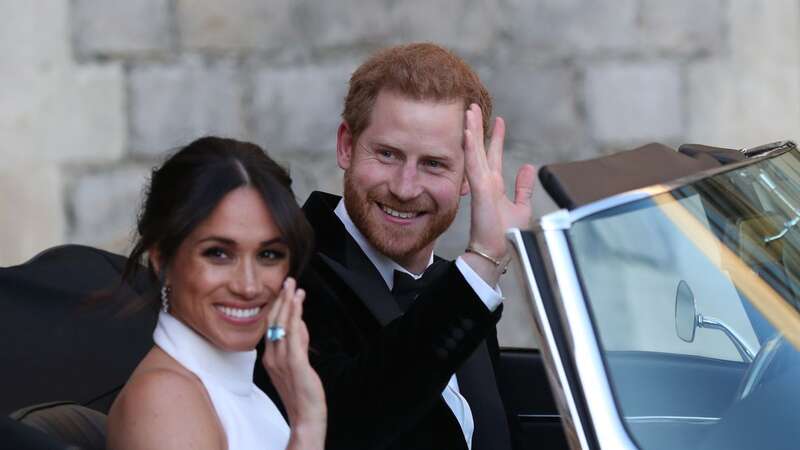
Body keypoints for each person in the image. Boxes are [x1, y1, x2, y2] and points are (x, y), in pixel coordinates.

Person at [258, 43, 535, 449]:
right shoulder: (286, 272)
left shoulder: (458, 286)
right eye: (387, 154)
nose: (405, 188)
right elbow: (347, 426)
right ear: (346, 147)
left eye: (433, 164)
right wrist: (482, 263)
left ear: (466, 180)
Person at [107, 137, 326, 450]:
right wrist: (307, 426)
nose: (248, 286)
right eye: (219, 254)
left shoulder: (242, 391)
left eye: (269, 255)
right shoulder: (165, 399)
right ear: (162, 261)